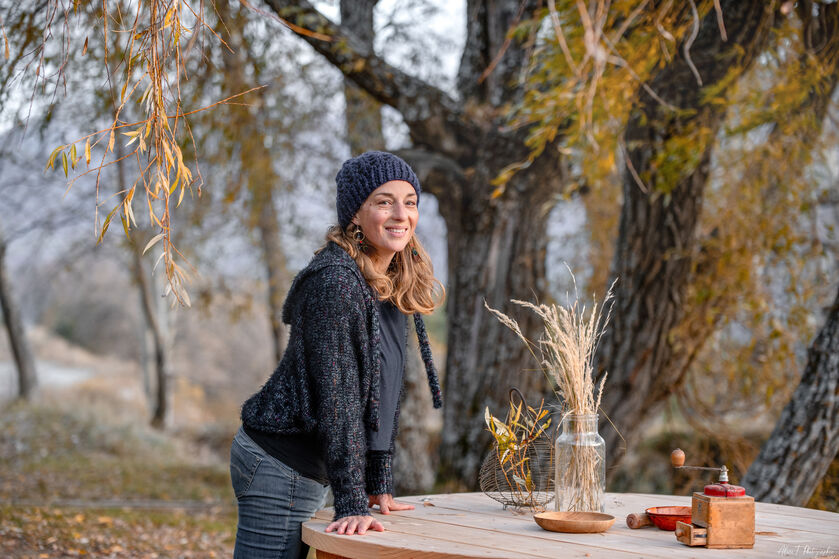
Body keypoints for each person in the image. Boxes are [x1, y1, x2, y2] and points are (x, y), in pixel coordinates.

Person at [229, 151, 444, 559]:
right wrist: (351, 501)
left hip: (307, 462)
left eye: (410, 202)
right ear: (355, 214)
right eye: (384, 202)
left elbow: (381, 394)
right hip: (281, 461)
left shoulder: (385, 280)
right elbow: (338, 399)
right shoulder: (337, 283)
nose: (401, 214)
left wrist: (377, 481)